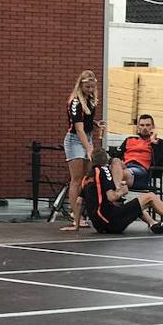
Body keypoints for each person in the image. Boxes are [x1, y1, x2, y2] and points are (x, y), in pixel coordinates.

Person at [81, 150, 163, 235]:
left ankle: (153, 223)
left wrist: (76, 225)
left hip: (99, 226)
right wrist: (121, 192)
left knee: (133, 205)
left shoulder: (86, 178)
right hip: (111, 222)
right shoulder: (103, 170)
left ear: (91, 159)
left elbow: (78, 202)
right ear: (107, 162)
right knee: (150, 197)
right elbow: (111, 197)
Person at [61, 70, 100, 232]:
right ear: (81, 85)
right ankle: (75, 216)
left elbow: (85, 123)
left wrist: (96, 124)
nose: (90, 89)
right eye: (87, 87)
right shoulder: (76, 102)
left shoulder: (90, 99)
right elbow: (78, 128)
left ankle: (82, 214)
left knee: (86, 178)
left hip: (86, 136)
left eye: (92, 87)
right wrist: (89, 148)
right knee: (76, 179)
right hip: (76, 140)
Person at [110, 114, 163, 193]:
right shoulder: (129, 140)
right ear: (138, 127)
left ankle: (116, 194)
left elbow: (158, 161)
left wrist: (153, 143)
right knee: (115, 161)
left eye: (148, 125)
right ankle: (118, 191)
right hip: (126, 166)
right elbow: (115, 155)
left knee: (120, 173)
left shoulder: (158, 142)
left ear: (153, 127)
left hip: (141, 171)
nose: (144, 128)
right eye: (142, 125)